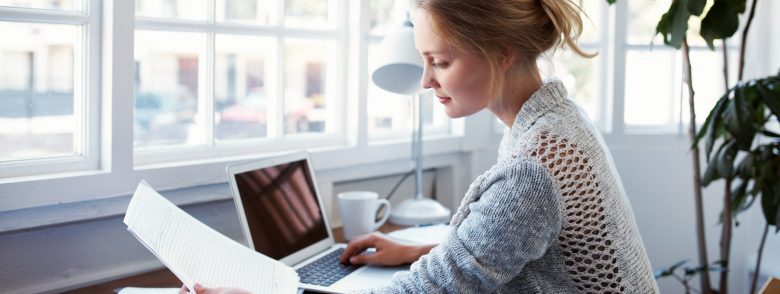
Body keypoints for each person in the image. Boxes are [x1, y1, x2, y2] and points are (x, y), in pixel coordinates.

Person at [185, 0, 659, 293]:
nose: (427, 79)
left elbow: (431, 290)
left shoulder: (532, 169)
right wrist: (415, 251)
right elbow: (521, 246)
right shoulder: (557, 121)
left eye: (441, 61)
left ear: (500, 52)